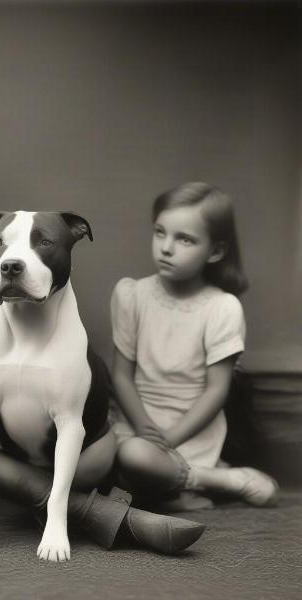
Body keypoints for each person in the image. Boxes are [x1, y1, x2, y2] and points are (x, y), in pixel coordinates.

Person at [110, 182, 278, 510]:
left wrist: (169, 439)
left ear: (214, 251)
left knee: (136, 463)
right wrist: (145, 428)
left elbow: (216, 391)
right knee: (106, 457)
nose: (166, 248)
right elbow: (121, 377)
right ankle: (189, 487)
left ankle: (206, 478)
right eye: (160, 233)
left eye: (184, 239)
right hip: (137, 420)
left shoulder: (221, 308)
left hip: (189, 429)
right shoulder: (132, 295)